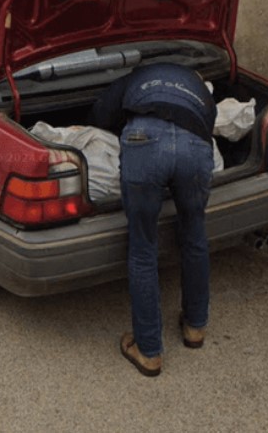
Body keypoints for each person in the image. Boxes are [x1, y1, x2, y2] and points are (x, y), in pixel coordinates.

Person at [90, 62, 217, 377]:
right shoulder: (199, 87)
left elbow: (100, 115)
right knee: (194, 235)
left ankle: (148, 350)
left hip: (144, 140)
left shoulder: (135, 78)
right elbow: (209, 124)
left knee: (143, 249)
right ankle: (195, 327)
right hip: (195, 148)